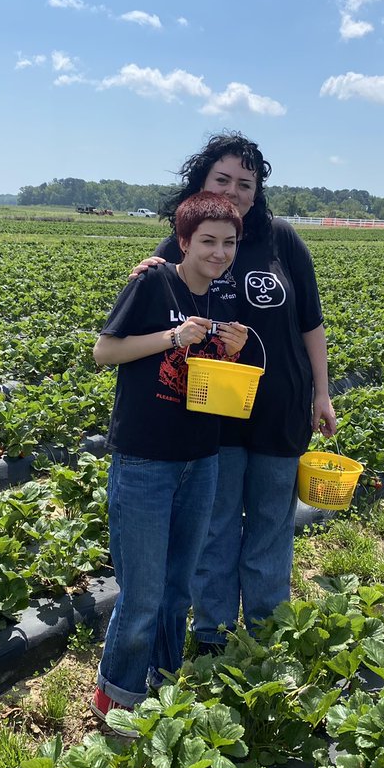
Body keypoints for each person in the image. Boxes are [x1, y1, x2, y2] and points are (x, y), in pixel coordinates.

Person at [138, 132, 336, 653]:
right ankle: (214, 634)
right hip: (213, 411)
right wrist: (144, 274)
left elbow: (311, 322)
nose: (233, 191)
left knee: (271, 523)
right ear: (201, 182)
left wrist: (322, 393)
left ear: (257, 191)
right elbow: (152, 300)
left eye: (245, 183)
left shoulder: (281, 239)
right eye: (222, 179)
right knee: (216, 526)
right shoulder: (186, 238)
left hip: (280, 405)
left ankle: (267, 630)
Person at [91, 190, 249, 731]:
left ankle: (162, 680)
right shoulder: (153, 283)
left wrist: (232, 351)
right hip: (145, 458)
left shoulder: (223, 299)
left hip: (201, 458)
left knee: (179, 585)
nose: (219, 252)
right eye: (207, 241)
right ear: (183, 241)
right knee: (143, 590)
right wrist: (171, 337)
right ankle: (116, 696)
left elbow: (211, 377)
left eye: (229, 243)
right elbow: (105, 352)